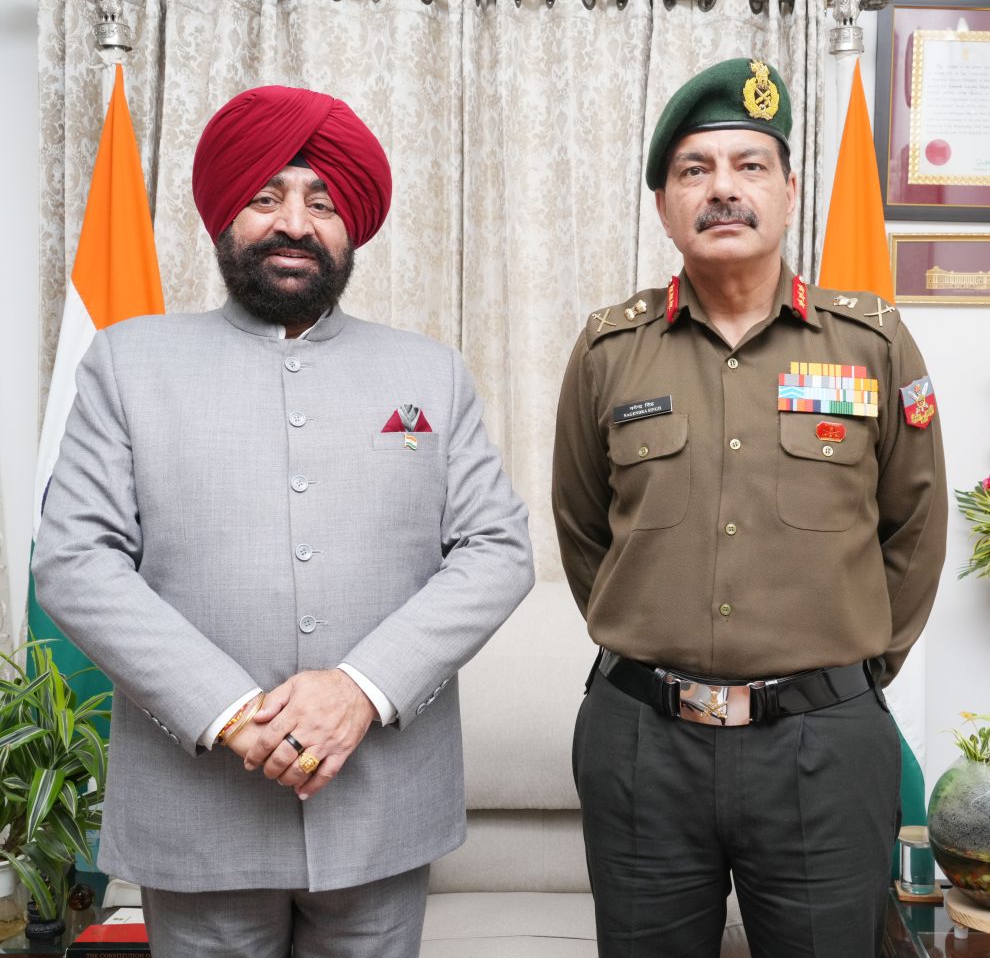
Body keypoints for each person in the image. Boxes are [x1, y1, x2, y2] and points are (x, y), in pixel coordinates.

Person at [33, 85, 534, 958]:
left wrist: (361, 688)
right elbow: (75, 560)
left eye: (322, 203)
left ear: (352, 229)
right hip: (199, 813)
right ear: (226, 213)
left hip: (381, 811)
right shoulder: (126, 362)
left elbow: (498, 549)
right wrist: (230, 711)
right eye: (266, 198)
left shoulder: (431, 373)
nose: (294, 223)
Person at [552, 58, 947, 958]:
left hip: (824, 746)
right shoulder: (610, 350)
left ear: (790, 191)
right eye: (694, 169)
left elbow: (914, 528)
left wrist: (843, 679)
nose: (723, 188)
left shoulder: (871, 342)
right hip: (642, 741)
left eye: (750, 165)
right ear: (664, 206)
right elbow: (582, 528)